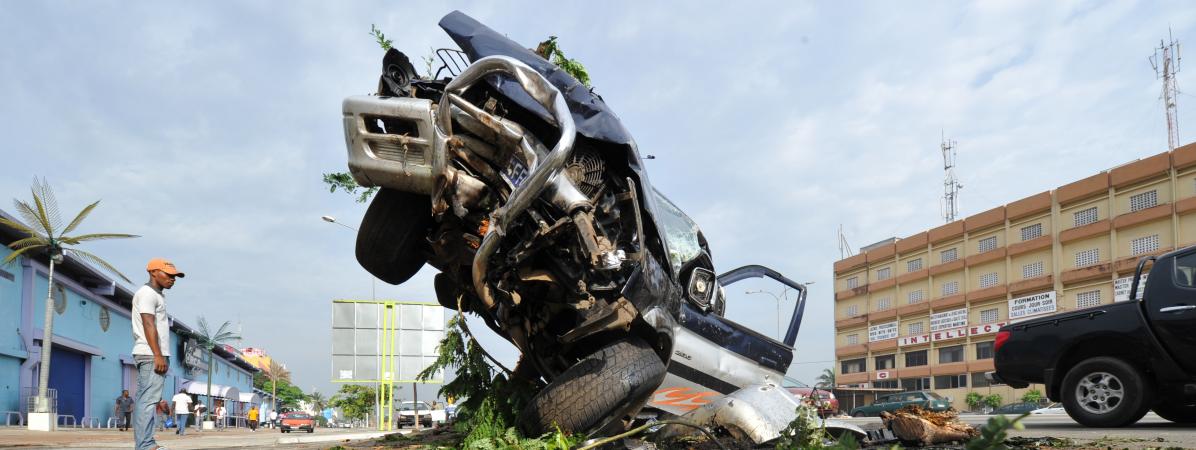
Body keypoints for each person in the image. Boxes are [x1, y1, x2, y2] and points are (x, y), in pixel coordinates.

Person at [133, 258, 184, 450]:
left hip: (151, 353)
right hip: (150, 353)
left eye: (175, 276)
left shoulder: (156, 295)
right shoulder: (147, 294)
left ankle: (145, 444)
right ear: (153, 272)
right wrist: (158, 354)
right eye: (169, 275)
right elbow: (148, 324)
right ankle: (146, 445)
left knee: (147, 400)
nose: (173, 279)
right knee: (148, 401)